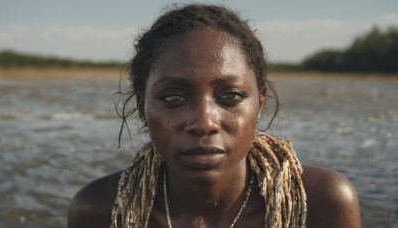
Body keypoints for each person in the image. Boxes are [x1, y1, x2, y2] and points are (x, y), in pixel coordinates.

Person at [67, 4, 361, 228]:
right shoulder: (98, 210)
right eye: (173, 98)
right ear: (144, 108)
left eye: (230, 96)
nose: (204, 122)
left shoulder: (323, 204)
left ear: (259, 104)